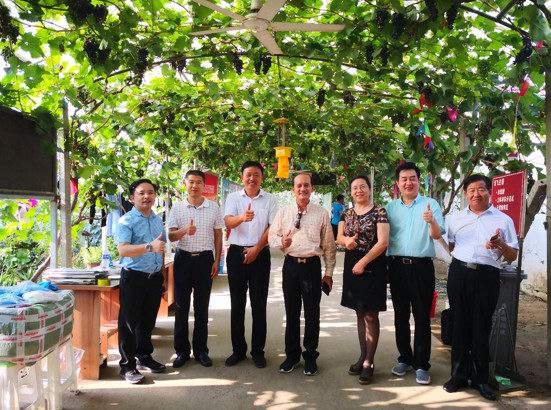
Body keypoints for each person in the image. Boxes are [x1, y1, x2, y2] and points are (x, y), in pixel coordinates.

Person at [444, 174, 518, 401]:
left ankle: (481, 379)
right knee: (459, 323)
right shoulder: (455, 218)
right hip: (459, 273)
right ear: (466, 194)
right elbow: (450, 245)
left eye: (481, 189)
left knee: (481, 326)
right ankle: (458, 375)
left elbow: (512, 255)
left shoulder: (504, 220)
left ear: (490, 192)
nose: (476, 194)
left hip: (487, 276)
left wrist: (500, 244)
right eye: (472, 190)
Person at [268, 172, 336, 376]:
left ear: (312, 189)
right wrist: (282, 242)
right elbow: (271, 237)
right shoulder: (284, 212)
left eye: (306, 185)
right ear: (293, 189)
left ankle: (310, 356)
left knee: (312, 313)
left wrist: (328, 273)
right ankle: (291, 355)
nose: (302, 189)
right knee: (291, 312)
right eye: (299, 185)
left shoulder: (321, 213)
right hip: (291, 266)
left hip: (312, 267)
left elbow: (329, 245)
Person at [386, 162, 445, 385]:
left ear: (419, 181)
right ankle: (404, 358)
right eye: (404, 179)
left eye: (412, 178)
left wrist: (431, 221)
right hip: (397, 267)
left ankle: (421, 364)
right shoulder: (391, 208)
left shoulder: (430, 205)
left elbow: (437, 235)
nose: (408, 182)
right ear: (398, 183)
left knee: (421, 316)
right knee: (400, 315)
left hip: (421, 267)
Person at [224, 161, 278, 368]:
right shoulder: (233, 198)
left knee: (259, 304)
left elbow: (272, 228)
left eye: (256, 175)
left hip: (260, 255)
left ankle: (258, 352)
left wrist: (256, 249)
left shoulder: (270, 199)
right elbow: (228, 222)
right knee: (237, 304)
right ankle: (238, 351)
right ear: (242, 177)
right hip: (236, 254)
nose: (252, 178)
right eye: (248, 174)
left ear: (262, 178)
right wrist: (242, 217)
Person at [168, 170, 223, 368]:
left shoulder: (213, 207)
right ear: (185, 184)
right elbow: (171, 236)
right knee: (181, 308)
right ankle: (181, 351)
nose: (194, 186)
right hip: (183, 259)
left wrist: (217, 261)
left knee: (202, 308)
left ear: (203, 185)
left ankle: (201, 351)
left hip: (205, 260)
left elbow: (218, 235)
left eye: (199, 182)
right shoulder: (177, 208)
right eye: (191, 182)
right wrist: (185, 231)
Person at [336, 176, 389, 385]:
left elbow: (383, 242)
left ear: (369, 189)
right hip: (352, 262)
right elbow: (339, 236)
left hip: (373, 263)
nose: (359, 190)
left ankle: (369, 362)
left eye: (362, 187)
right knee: (359, 312)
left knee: (371, 314)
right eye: (355, 187)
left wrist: (363, 262)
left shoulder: (379, 211)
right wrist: (346, 241)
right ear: (350, 192)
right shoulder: (346, 212)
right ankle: (362, 356)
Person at [115, 178, 167, 384]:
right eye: (141, 193)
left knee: (147, 321)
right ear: (131, 198)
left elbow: (161, 248)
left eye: (150, 192)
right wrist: (149, 247)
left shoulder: (157, 220)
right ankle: (127, 366)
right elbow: (123, 249)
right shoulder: (126, 221)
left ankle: (144, 356)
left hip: (154, 278)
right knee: (129, 323)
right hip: (134, 277)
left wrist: (162, 275)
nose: (146, 196)